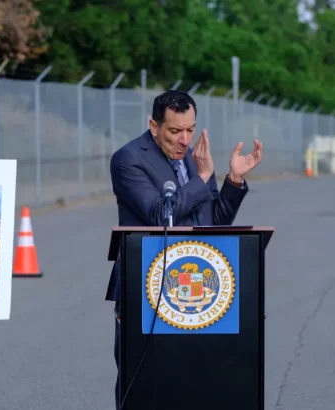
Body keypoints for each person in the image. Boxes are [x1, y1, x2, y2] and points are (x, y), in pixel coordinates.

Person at [106, 90, 263, 408]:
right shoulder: (129, 159)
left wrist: (232, 180)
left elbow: (212, 221)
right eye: (175, 131)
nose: (184, 139)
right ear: (154, 126)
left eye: (190, 130)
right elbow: (158, 214)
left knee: (192, 375)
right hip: (146, 285)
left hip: (195, 287)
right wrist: (203, 176)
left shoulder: (194, 161)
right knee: (144, 381)